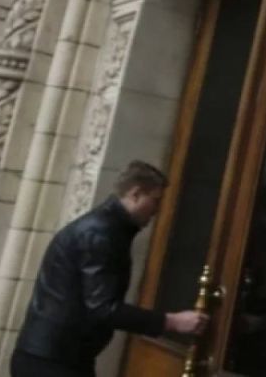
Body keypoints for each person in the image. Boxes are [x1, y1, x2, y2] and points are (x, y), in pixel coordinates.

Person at [11, 160, 208, 377]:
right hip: (52, 362)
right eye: (155, 200)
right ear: (135, 194)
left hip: (56, 356)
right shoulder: (100, 233)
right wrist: (171, 322)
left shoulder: (107, 228)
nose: (157, 210)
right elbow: (103, 309)